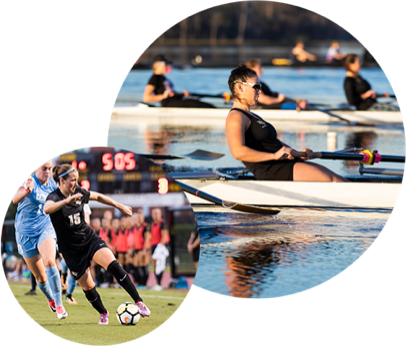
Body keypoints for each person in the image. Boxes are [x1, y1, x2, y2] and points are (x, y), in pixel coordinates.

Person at [43, 164, 151, 325]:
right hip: (71, 251)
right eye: (72, 180)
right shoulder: (54, 197)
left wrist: (119, 206)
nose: (76, 183)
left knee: (114, 265)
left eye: (77, 180)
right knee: (88, 286)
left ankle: (139, 302)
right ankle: (103, 313)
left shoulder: (79, 192)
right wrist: (67, 201)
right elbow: (47, 209)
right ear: (62, 180)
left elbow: (98, 197)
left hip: (89, 239)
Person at [226, 64, 348, 182]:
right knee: (333, 181)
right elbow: (238, 152)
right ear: (240, 87)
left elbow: (275, 143)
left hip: (283, 163)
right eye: (256, 86)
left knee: (339, 179)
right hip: (273, 170)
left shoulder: (252, 115)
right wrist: (274, 156)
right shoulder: (236, 116)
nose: (259, 91)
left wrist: (298, 153)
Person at [12, 159, 68, 319]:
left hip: (45, 228)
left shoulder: (52, 186)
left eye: (50, 169)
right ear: (37, 168)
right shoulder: (28, 180)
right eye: (44, 168)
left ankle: (59, 304)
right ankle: (50, 299)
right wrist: (27, 191)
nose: (47, 172)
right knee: (40, 277)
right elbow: (15, 199)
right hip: (24, 233)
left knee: (50, 261)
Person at [143, 54, 216, 108]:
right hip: (168, 104)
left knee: (201, 103)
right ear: (158, 65)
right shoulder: (154, 78)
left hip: (176, 100)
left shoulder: (163, 78)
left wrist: (183, 94)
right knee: (198, 105)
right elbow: (146, 98)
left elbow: (171, 93)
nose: (168, 66)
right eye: (166, 64)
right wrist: (163, 96)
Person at [149, 208, 169, 291]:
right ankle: (157, 283)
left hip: (159, 246)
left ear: (160, 214)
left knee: (160, 265)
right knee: (154, 266)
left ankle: (160, 284)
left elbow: (164, 236)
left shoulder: (162, 223)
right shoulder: (153, 224)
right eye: (154, 213)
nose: (155, 215)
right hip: (153, 245)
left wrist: (161, 247)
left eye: (157, 213)